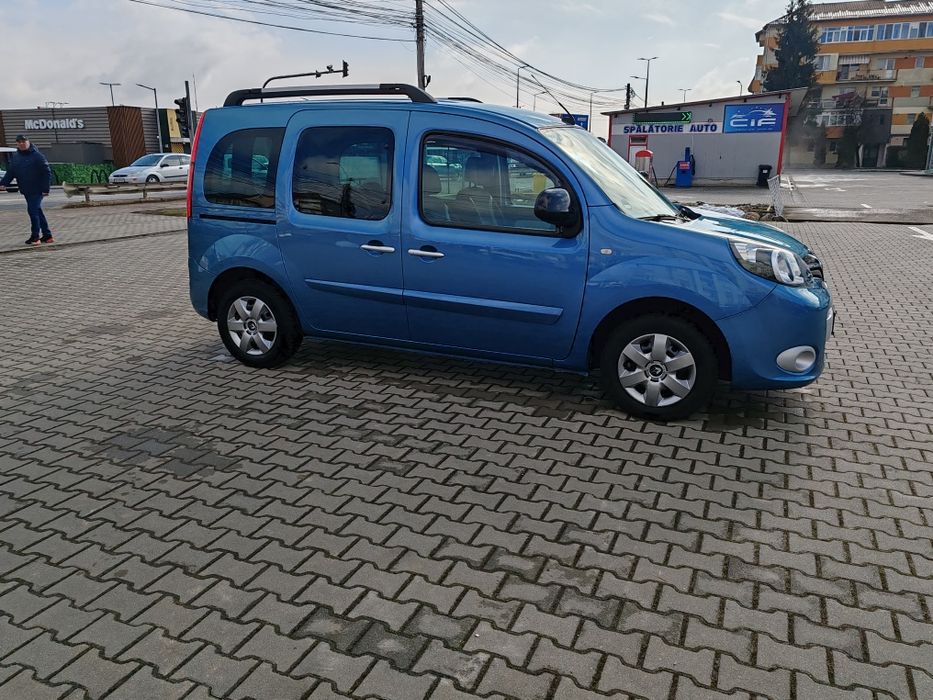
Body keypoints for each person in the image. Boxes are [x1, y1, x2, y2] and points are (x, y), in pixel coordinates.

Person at [0, 134, 54, 245]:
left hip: (37, 190)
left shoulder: (37, 156)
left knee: (32, 211)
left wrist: (45, 189)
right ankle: (48, 236)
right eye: (19, 142)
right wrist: (3, 184)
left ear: (28, 142)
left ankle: (35, 237)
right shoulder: (16, 157)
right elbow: (11, 172)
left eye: (23, 141)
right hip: (26, 190)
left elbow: (46, 172)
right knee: (37, 212)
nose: (21, 144)